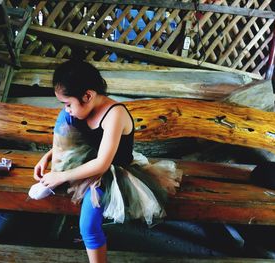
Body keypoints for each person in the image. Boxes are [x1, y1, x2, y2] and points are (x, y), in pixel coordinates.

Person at [33, 60, 182, 263]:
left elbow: (103, 164)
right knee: (64, 120)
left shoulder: (115, 114)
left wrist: (61, 175)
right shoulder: (80, 110)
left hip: (114, 171)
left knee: (88, 225)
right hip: (88, 161)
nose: (67, 109)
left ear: (88, 95)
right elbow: (70, 141)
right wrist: (47, 156)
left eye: (68, 104)